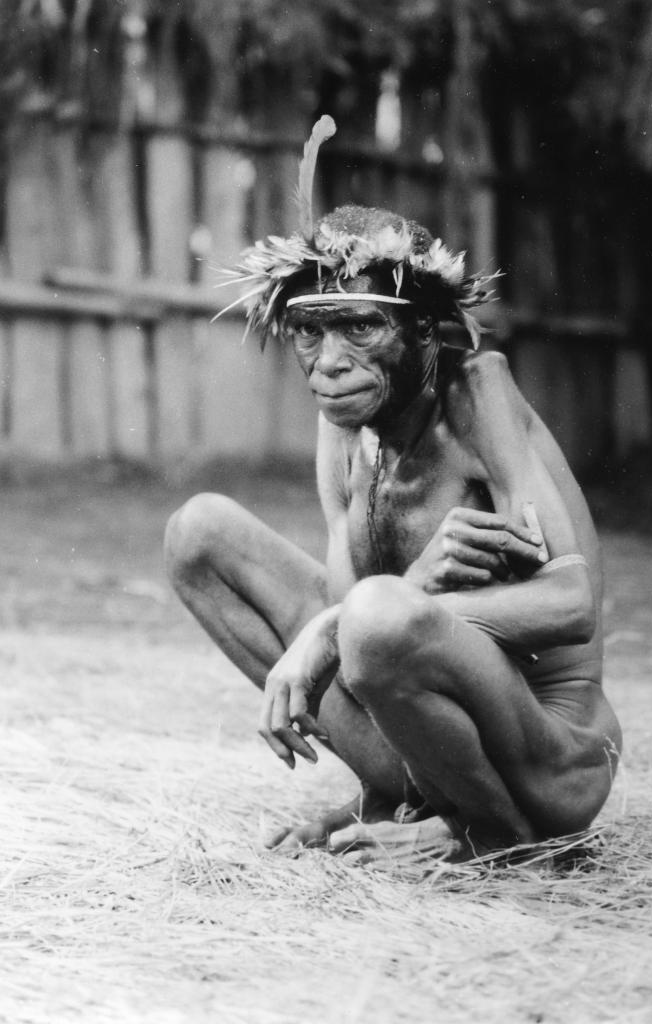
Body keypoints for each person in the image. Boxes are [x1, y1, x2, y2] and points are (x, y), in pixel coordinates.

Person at [164, 117, 622, 862]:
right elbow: (369, 632)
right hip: (421, 719)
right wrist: (403, 595)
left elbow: (571, 607)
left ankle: (491, 833)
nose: (328, 364)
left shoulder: (478, 400)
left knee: (367, 618)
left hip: (548, 756)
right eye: (310, 333)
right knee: (197, 532)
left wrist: (342, 624)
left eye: (360, 330)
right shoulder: (345, 426)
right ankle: (403, 796)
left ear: (424, 335)